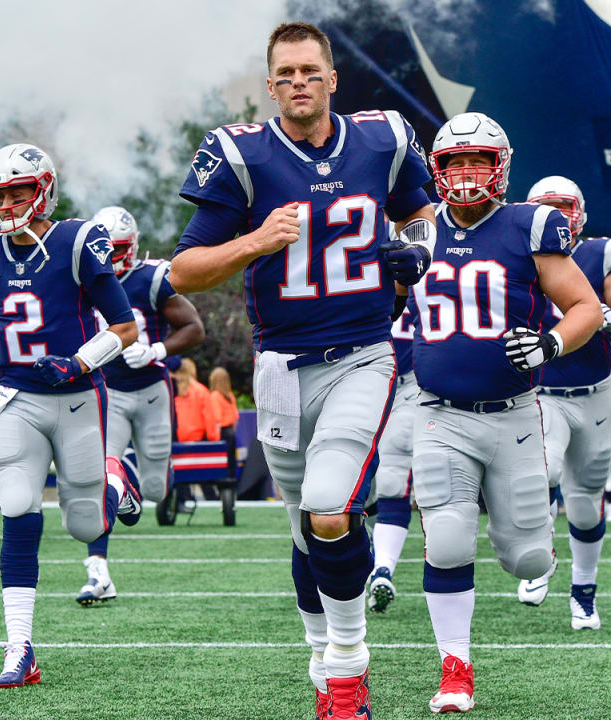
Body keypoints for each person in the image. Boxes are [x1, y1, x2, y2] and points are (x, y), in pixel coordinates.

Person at [168, 21, 437, 720]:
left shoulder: (383, 138)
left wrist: (417, 253)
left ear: (332, 79)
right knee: (302, 522)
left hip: (362, 355)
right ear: (270, 85)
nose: (297, 83)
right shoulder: (242, 154)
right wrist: (256, 239)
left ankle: (349, 668)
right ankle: (320, 652)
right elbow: (185, 270)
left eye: (309, 72)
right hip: (282, 366)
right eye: (285, 74)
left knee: (328, 507)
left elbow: (420, 216)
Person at [407, 112, 601, 713]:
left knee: (529, 558)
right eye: (454, 163)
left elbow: (585, 307)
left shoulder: (529, 226)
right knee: (445, 540)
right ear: (436, 169)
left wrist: (552, 343)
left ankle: (515, 532)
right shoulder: (413, 229)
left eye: (478, 162)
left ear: (501, 166)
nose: (466, 175)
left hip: (515, 413)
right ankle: (455, 668)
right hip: (439, 412)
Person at [0, 142, 140, 688]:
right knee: (16, 509)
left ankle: (115, 480)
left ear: (44, 189)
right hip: (18, 398)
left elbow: (125, 328)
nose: (8, 204)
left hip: (79, 396)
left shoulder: (78, 241)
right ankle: (19, 649)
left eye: (18, 192)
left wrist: (80, 360)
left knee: (84, 522)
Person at [516, 176, 611, 625]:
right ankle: (544, 555)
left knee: (584, 499)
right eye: (548, 207)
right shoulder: (515, 251)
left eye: (564, 207)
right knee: (543, 470)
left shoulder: (602, 255)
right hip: (541, 392)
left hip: (595, 393)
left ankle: (584, 589)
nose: (558, 217)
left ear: (580, 212)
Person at [75, 205, 206, 608]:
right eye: (105, 250)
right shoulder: (85, 278)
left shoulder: (150, 278)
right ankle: (97, 570)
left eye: (117, 249)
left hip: (151, 390)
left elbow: (194, 328)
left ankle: (128, 483)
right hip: (109, 391)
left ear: (130, 247)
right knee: (101, 475)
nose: (111, 258)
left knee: (155, 488)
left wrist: (157, 350)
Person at [366, 301, 416, 614]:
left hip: (407, 386)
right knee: (356, 486)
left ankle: (382, 569)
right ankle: (376, 562)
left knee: (393, 480)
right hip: (359, 381)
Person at [173, 358, 218, 442]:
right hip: (198, 440)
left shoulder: (173, 391)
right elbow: (209, 418)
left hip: (175, 440)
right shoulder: (201, 391)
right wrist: (213, 438)